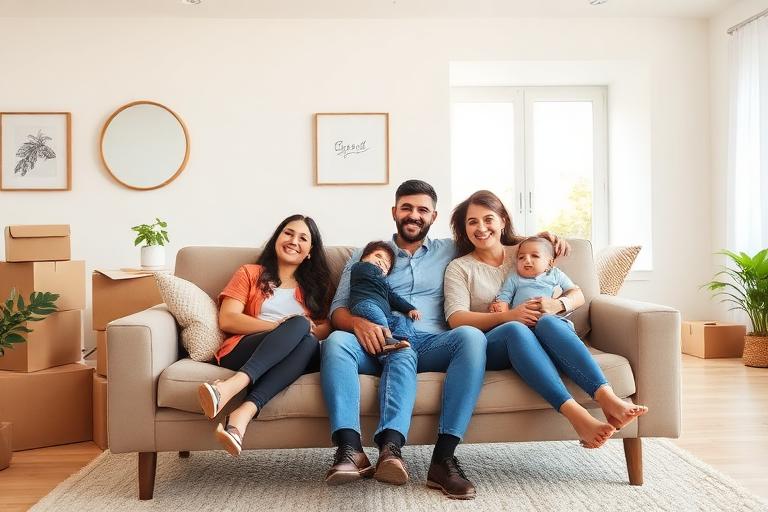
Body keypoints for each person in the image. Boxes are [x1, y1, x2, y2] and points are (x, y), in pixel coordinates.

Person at [321, 180, 488, 500]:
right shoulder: (367, 255)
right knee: (336, 341)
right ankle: (350, 450)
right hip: (376, 343)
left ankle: (444, 459)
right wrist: (358, 323)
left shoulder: (451, 250)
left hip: (430, 343)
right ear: (394, 211)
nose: (414, 215)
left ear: (434, 216)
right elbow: (337, 312)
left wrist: (547, 239)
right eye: (407, 208)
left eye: (422, 210)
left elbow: (497, 242)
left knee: (471, 336)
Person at [444, 190, 647, 450]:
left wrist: (557, 303)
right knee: (515, 329)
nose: (481, 228)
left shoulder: (526, 251)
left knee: (550, 322)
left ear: (503, 220)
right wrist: (508, 316)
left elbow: (577, 294)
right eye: (472, 222)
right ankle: (579, 418)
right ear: (464, 228)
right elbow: (456, 319)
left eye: (488, 219)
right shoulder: (460, 267)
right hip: (494, 343)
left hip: (541, 334)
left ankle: (609, 400)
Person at [197, 214, 332, 456]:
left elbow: (326, 327)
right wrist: (278, 327)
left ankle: (240, 412)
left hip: (298, 354)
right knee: (299, 326)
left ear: (310, 251)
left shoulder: (316, 287)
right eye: (288, 233)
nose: (293, 241)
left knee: (306, 336)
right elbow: (228, 318)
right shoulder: (250, 273)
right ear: (277, 237)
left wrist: (303, 327)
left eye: (303, 238)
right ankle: (233, 389)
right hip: (246, 348)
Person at [349, 240, 420, 352]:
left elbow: (394, 298)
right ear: (364, 257)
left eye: (387, 264)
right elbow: (368, 272)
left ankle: (402, 339)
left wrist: (410, 308)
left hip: (384, 313)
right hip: (366, 304)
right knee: (380, 320)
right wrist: (381, 270)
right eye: (378, 256)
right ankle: (387, 341)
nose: (381, 262)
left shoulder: (384, 284)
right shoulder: (359, 267)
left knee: (402, 320)